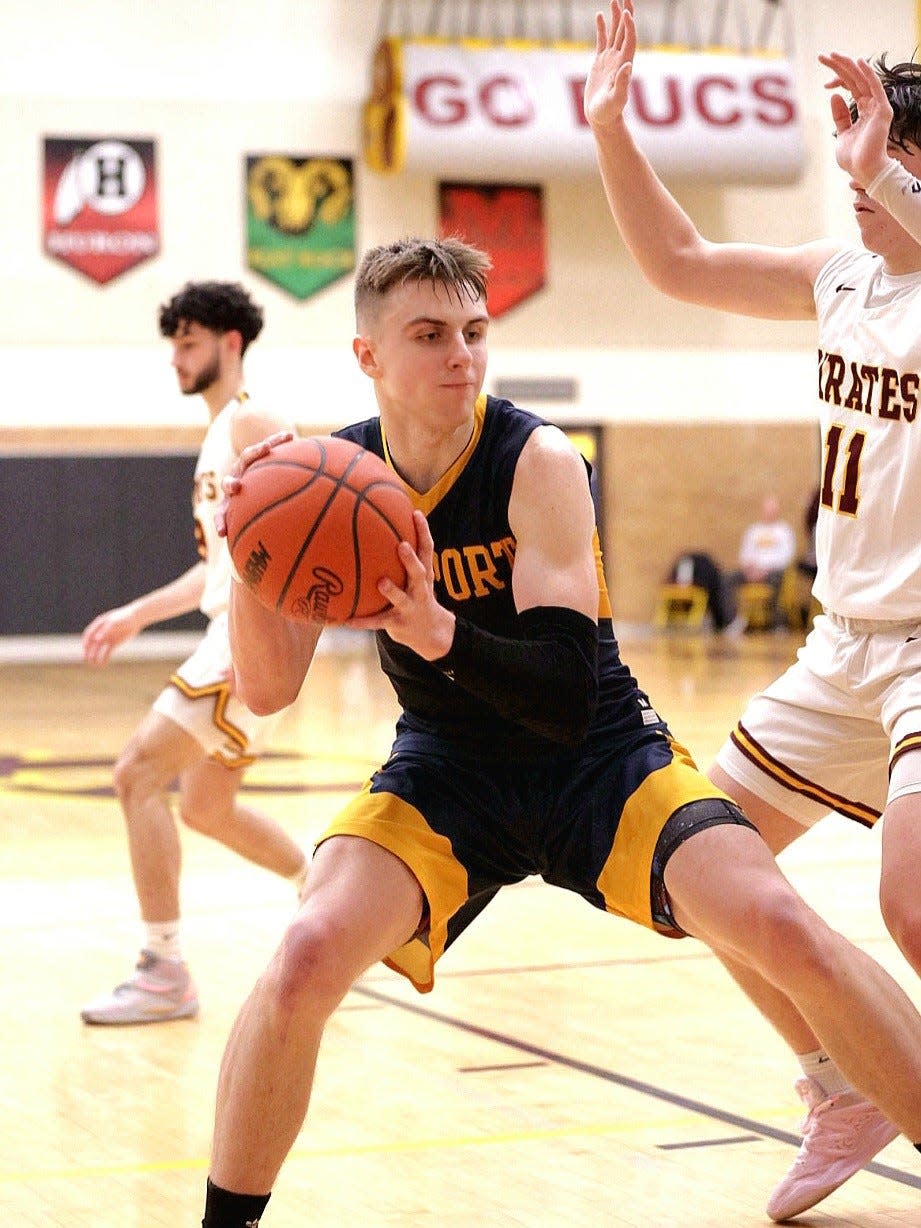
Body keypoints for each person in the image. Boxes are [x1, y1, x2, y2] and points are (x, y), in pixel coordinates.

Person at [200, 237, 921, 1228]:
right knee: (303, 956)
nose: (462, 354)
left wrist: (437, 630)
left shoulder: (536, 458)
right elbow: (271, 689)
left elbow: (564, 694)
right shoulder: (338, 472)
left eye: (474, 331)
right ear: (367, 354)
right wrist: (249, 553)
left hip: (599, 755)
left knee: (784, 927)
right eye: (429, 334)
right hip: (448, 769)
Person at [586, 4, 921, 1218]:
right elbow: (676, 264)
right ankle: (843, 1084)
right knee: (699, 873)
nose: (857, 184)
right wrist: (613, 133)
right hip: (838, 648)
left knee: (910, 899)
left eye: (883, 161)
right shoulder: (841, 278)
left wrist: (880, 154)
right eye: (855, 157)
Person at [80, 280, 309, 1026]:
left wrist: (275, 637)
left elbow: (316, 520)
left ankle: (163, 970)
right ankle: (328, 896)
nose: (176, 357)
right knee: (208, 807)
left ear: (229, 343)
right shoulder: (217, 441)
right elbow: (212, 571)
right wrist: (135, 615)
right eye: (173, 344)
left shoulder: (254, 424)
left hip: (244, 639)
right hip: (229, 626)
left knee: (136, 773)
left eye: (188, 342)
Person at [731, 494, 797, 627]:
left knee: (777, 579)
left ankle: (775, 623)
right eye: (767, 510)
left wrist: (766, 570)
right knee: (727, 579)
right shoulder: (753, 531)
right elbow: (744, 555)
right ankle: (732, 621)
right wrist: (751, 570)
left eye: (772, 510)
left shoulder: (784, 531)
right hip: (751, 572)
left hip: (773, 572)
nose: (769, 513)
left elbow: (787, 557)